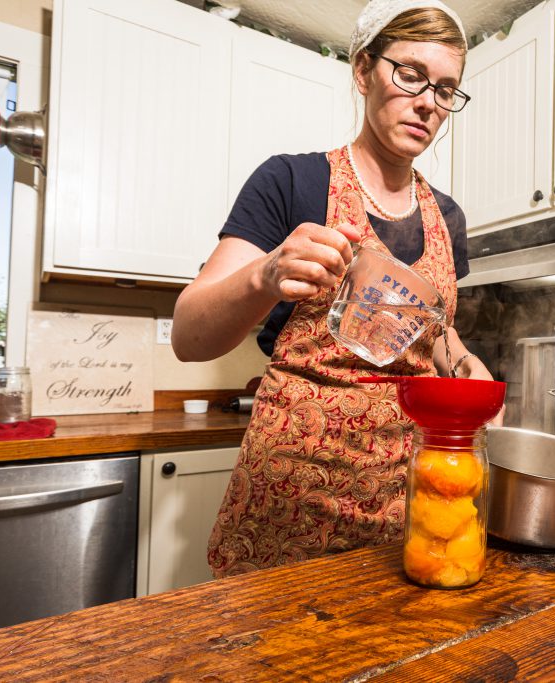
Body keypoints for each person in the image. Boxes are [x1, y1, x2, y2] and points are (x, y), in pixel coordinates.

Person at [172, 0, 496, 576]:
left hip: (414, 501)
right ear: (363, 70)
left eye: (446, 90)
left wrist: (469, 366)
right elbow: (189, 336)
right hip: (292, 498)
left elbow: (434, 333)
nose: (428, 101)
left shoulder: (448, 217)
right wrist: (263, 275)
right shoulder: (292, 180)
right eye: (411, 74)